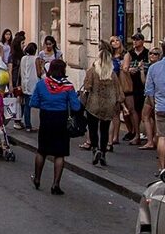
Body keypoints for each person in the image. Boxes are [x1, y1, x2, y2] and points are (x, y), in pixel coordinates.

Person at [30, 60, 81, 195]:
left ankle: (37, 178)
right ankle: (55, 184)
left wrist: (46, 104)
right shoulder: (68, 87)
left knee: (42, 151)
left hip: (46, 119)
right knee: (60, 153)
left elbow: (33, 102)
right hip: (61, 120)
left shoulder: (41, 84)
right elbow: (76, 106)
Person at [81, 41, 123, 166]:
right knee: (104, 129)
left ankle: (95, 148)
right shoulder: (112, 73)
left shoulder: (93, 71)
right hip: (108, 105)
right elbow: (118, 90)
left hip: (94, 103)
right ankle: (103, 152)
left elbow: (87, 86)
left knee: (93, 128)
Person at [124, 33, 149, 145]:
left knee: (145, 112)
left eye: (137, 40)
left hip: (144, 85)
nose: (135, 42)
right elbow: (125, 68)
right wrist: (130, 70)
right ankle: (136, 134)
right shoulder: (129, 53)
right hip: (132, 84)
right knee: (133, 110)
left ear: (142, 41)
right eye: (133, 40)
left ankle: (149, 136)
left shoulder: (148, 53)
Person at [144, 48, 165, 175]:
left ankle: (162, 168)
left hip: (161, 107)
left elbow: (149, 90)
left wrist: (154, 104)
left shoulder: (154, 68)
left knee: (162, 137)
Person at [140, 48, 162, 150]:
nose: (152, 55)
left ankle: (151, 141)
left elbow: (147, 85)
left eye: (155, 54)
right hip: (158, 98)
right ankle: (153, 139)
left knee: (146, 117)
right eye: (151, 53)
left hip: (153, 97)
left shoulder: (153, 68)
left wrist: (141, 71)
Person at [19, 43, 41, 132]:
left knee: (27, 106)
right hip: (34, 84)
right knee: (40, 105)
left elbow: (21, 72)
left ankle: (28, 125)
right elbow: (39, 73)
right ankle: (41, 125)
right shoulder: (36, 59)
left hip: (25, 84)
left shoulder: (23, 58)